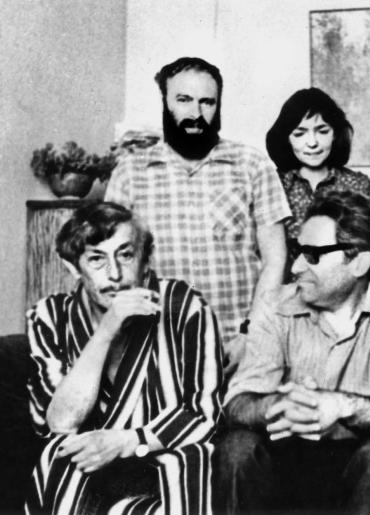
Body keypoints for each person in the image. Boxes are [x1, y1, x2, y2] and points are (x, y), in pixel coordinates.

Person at [214, 191, 370, 513]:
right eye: (297, 251)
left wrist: (339, 405)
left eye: (313, 255)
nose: (296, 266)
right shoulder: (275, 304)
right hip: (283, 457)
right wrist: (277, 405)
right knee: (237, 447)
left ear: (359, 263)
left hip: (359, 462)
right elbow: (237, 403)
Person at [25, 202, 222, 514]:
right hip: (90, 471)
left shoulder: (185, 306)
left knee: (193, 458)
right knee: (61, 452)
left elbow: (203, 414)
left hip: (161, 463)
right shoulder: (49, 316)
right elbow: (61, 423)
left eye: (126, 255)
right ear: (73, 268)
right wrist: (105, 332)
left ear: (146, 259)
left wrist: (127, 441)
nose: (115, 274)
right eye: (96, 259)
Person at [106, 57, 291, 365]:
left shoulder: (253, 165)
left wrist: (250, 334)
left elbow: (276, 259)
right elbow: (114, 264)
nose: (196, 114)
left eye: (207, 102)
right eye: (184, 100)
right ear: (165, 102)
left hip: (238, 346)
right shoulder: (129, 173)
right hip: (156, 348)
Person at [266, 87, 370, 275]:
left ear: (335, 133)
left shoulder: (358, 184)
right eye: (300, 133)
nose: (312, 143)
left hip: (347, 288)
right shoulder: (272, 187)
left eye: (322, 131)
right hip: (292, 287)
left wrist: (364, 271)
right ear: (287, 138)